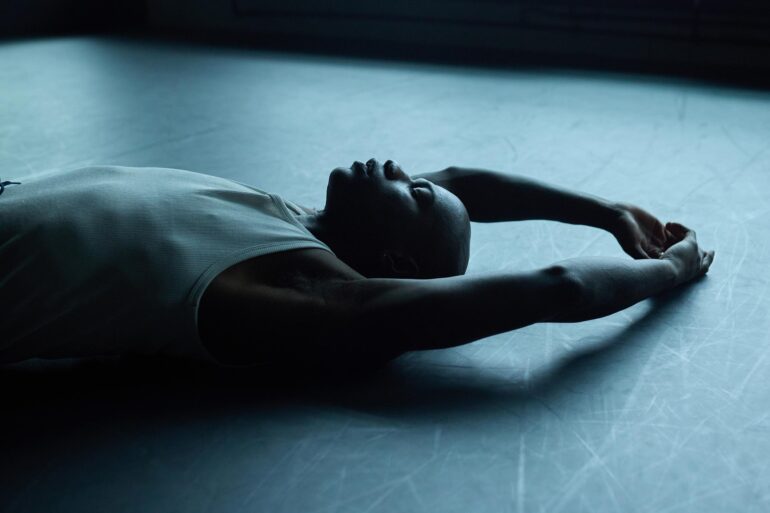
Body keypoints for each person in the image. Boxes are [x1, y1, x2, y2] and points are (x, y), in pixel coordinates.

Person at [0, 159, 713, 367]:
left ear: (394, 256)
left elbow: (554, 288)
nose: (407, 170)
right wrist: (608, 209)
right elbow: (470, 182)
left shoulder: (290, 282)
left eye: (417, 192)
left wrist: (671, 270)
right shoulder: (276, 214)